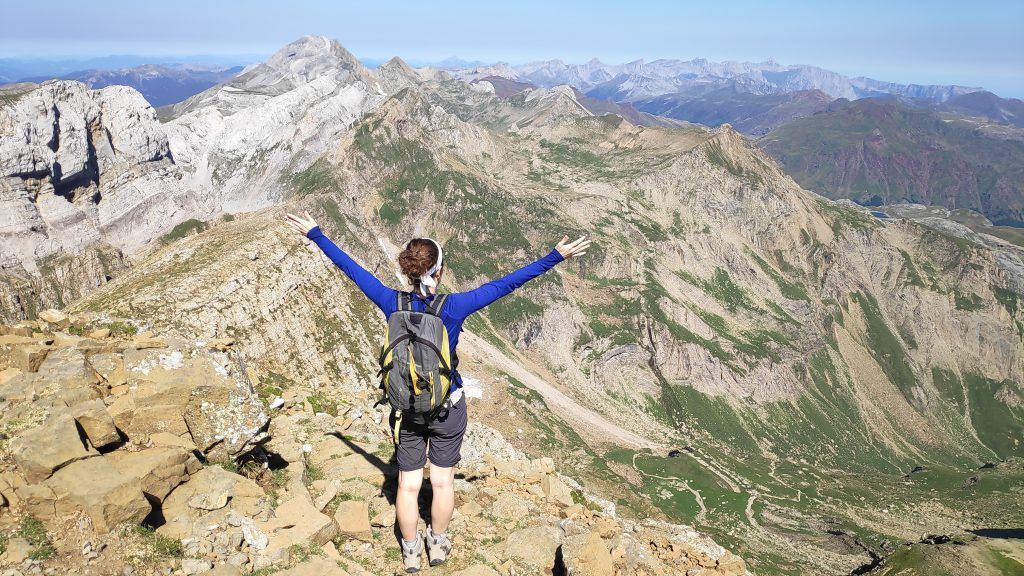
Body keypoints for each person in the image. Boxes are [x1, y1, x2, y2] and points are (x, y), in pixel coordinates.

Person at [284, 211, 590, 572]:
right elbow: (506, 284)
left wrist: (316, 234)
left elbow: (352, 269)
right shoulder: (454, 307)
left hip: (408, 407)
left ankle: (410, 549)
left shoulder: (391, 301)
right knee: (442, 482)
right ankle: (438, 544)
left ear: (407, 271)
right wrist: (555, 256)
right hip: (447, 406)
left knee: (408, 485)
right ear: (439, 271)